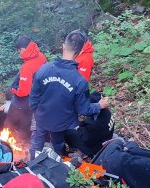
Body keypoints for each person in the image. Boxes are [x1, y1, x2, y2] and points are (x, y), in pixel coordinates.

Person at [29, 30, 109, 159]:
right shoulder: (79, 81)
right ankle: (56, 162)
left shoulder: (44, 69)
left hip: (41, 117)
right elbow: (83, 109)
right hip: (61, 122)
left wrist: (37, 112)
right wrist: (99, 105)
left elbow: (33, 97)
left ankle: (32, 164)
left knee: (37, 142)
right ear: (79, 52)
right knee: (57, 143)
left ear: (63, 46)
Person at [0, 36, 47, 143]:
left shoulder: (27, 66)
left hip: (30, 97)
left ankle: (6, 136)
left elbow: (23, 92)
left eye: (19, 50)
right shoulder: (41, 56)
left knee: (9, 112)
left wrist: (15, 91)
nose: (19, 53)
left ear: (22, 49)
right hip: (41, 91)